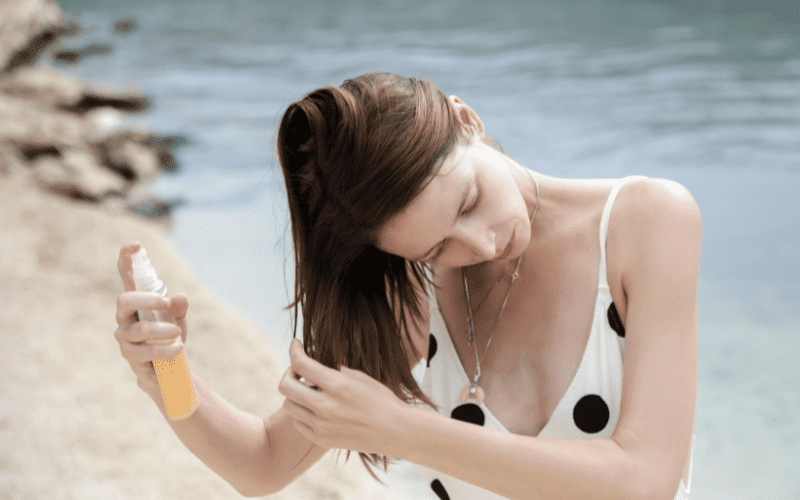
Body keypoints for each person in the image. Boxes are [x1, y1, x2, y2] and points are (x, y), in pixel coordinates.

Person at [114, 72, 699, 499]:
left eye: (469, 201)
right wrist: (168, 374)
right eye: (438, 247)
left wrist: (401, 428)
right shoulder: (409, 294)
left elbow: (643, 480)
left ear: (467, 120)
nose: (483, 245)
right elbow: (262, 464)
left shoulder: (643, 221)